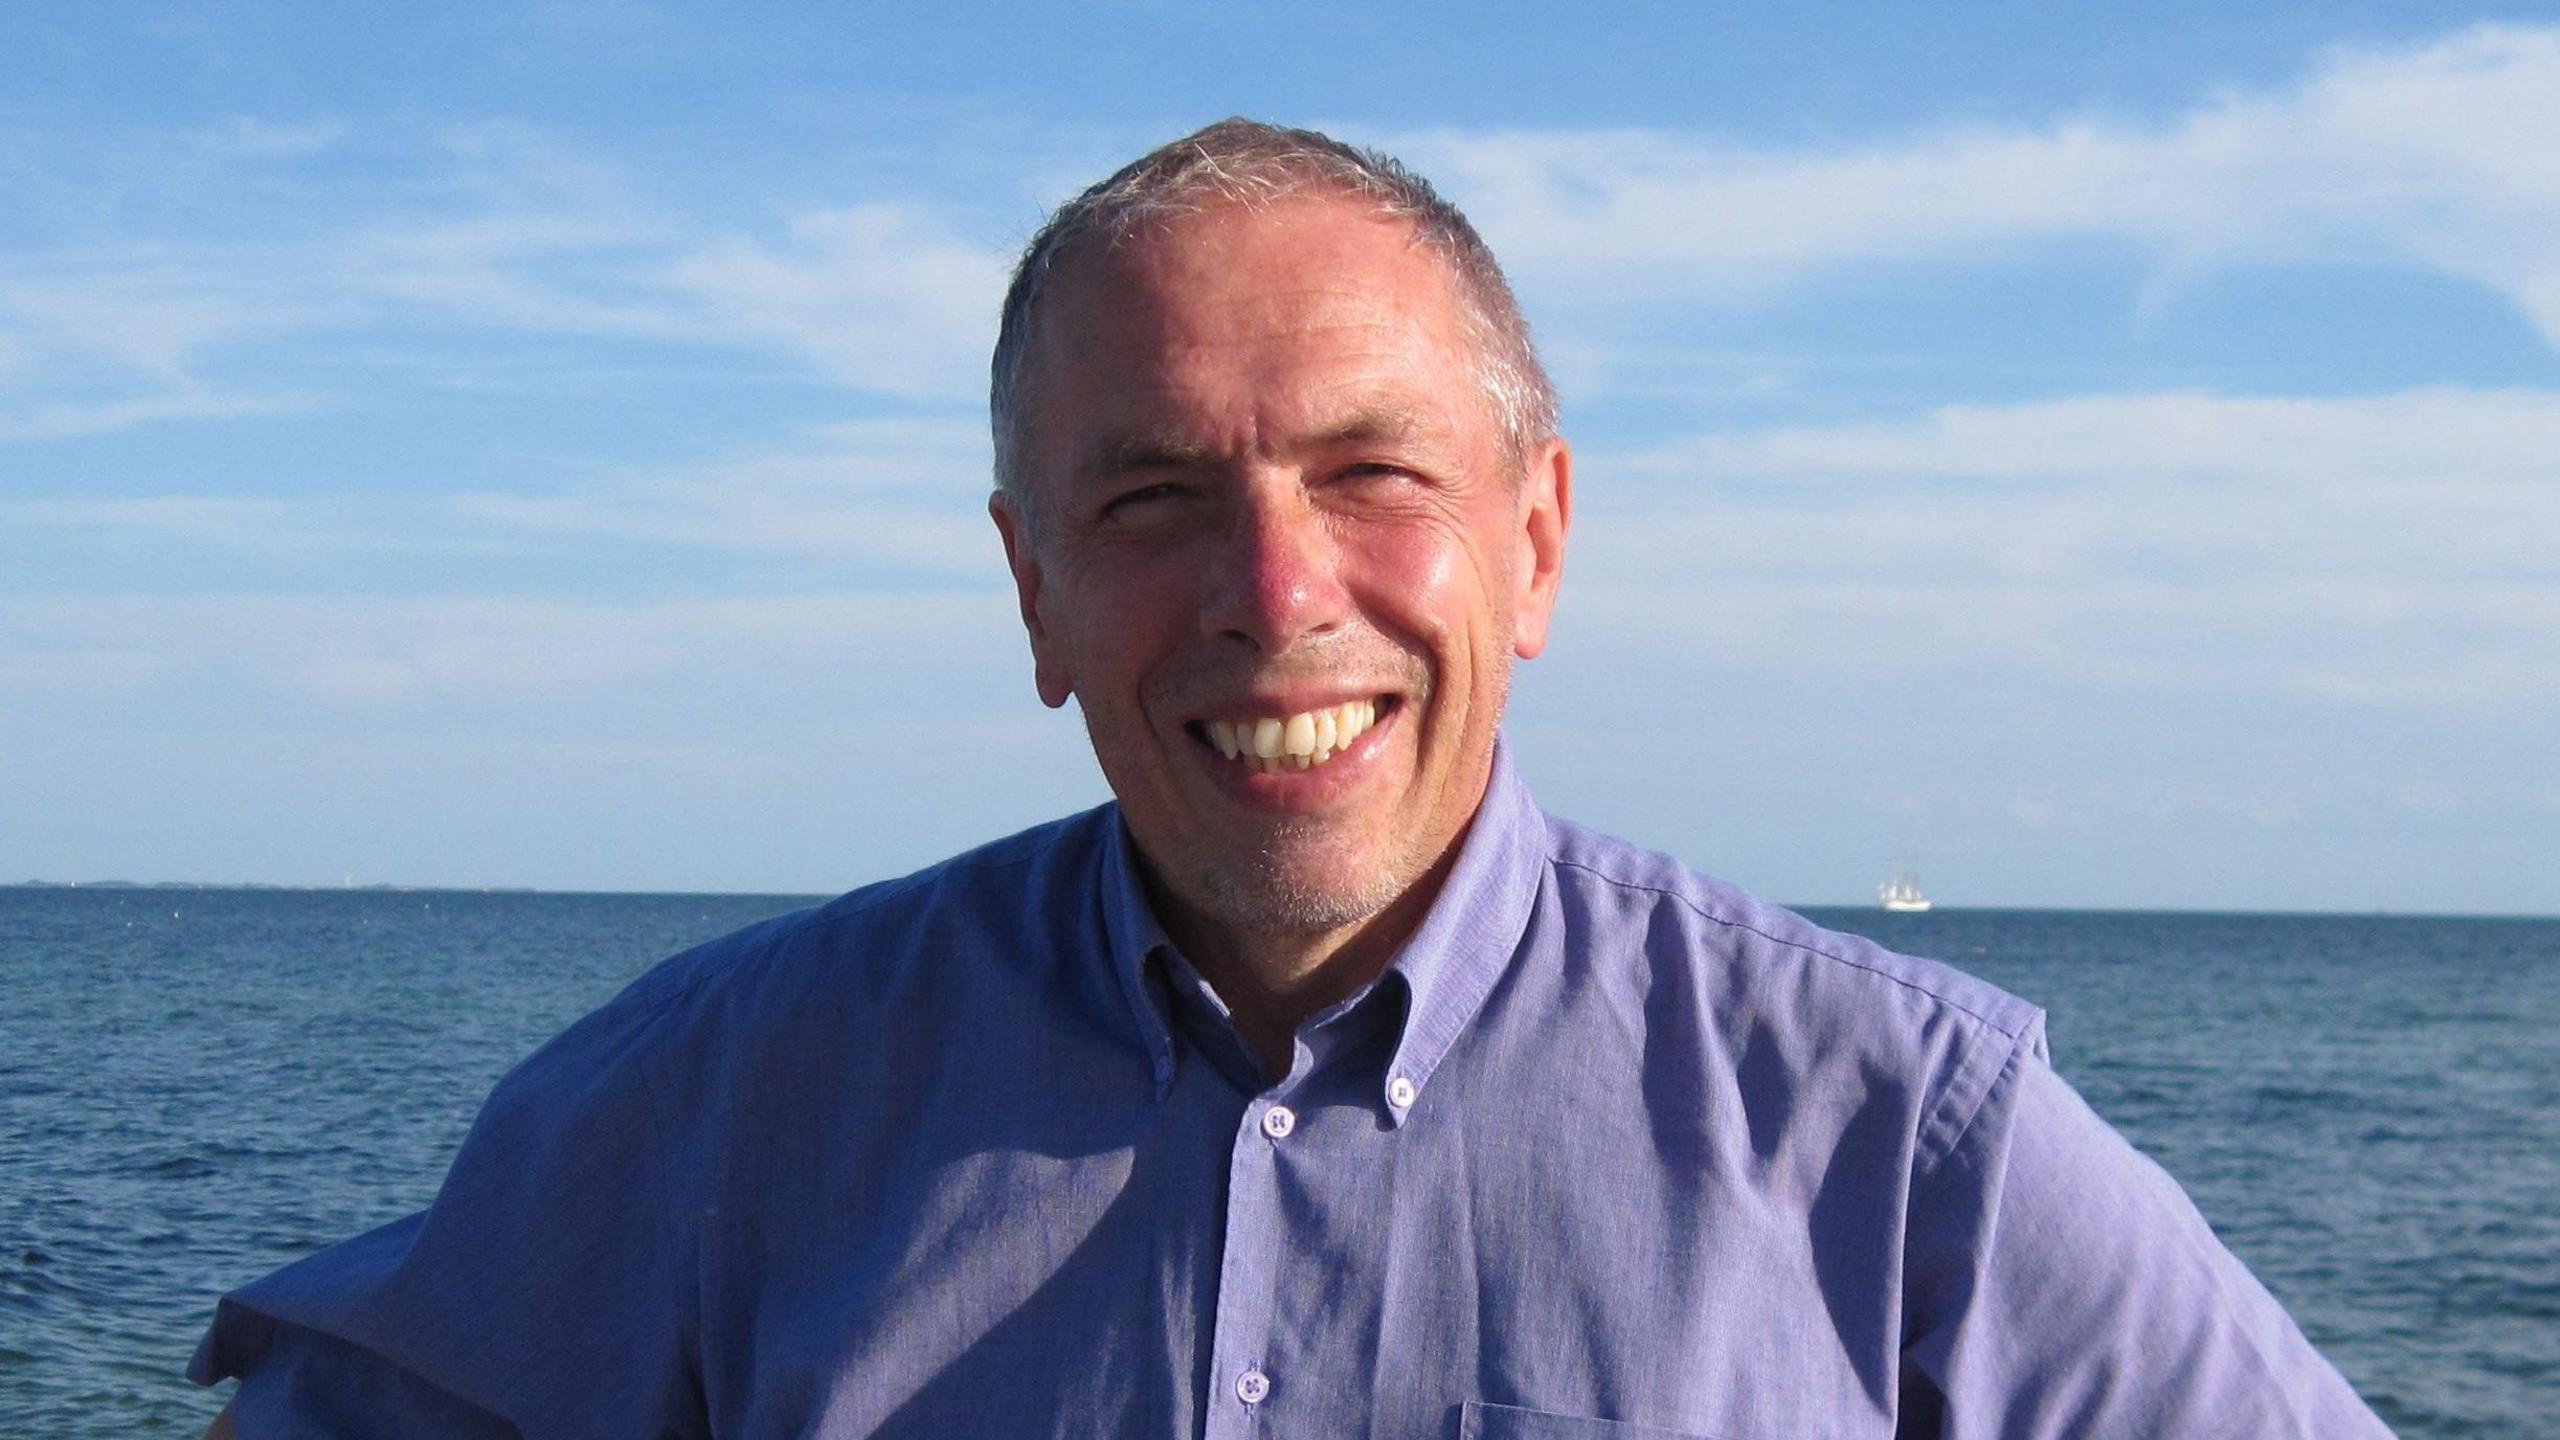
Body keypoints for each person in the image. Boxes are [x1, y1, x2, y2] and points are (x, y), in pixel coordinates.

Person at [191, 119, 2393, 1439]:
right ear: (1032, 593)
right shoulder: (717, 1106)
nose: (1272, 591)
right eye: (1150, 498)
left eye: (1370, 474)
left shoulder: (1898, 1143)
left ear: (1532, 543)